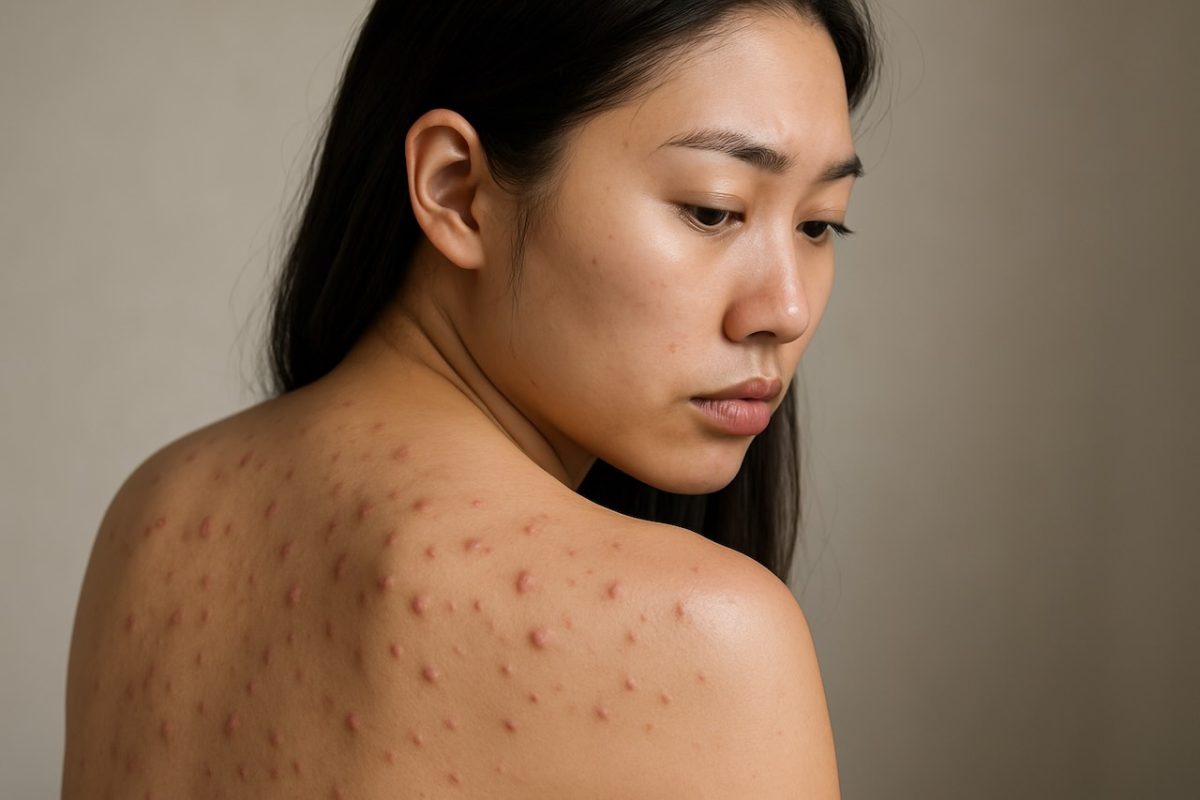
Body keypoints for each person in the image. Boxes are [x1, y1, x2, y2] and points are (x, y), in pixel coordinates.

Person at [63, 1, 879, 796]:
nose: (787, 309)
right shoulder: (702, 633)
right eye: (715, 210)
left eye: (819, 225)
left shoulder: (158, 512)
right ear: (458, 190)